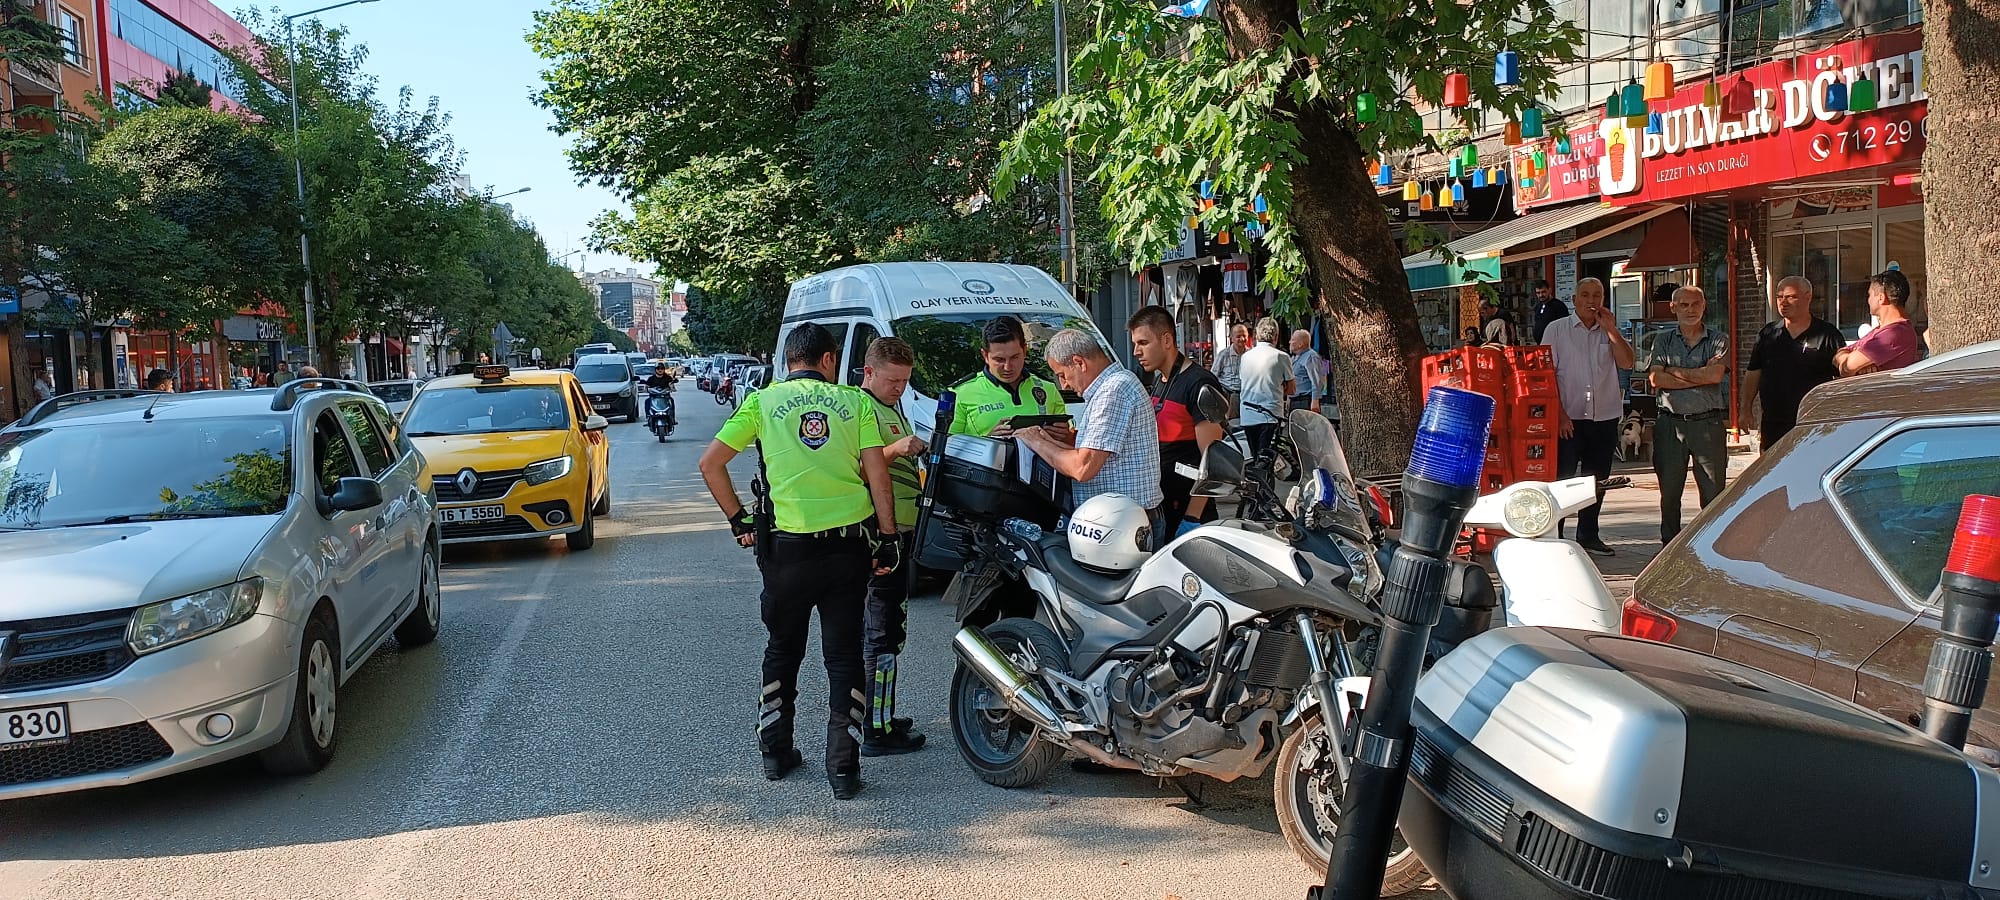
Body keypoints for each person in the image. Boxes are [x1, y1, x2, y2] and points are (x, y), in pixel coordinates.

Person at [697, 323, 900, 800]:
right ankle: (843, 770)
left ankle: (775, 752)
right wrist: (888, 538)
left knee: (783, 650)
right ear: (828, 360)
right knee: (844, 657)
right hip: (847, 551)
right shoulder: (855, 403)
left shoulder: (761, 403)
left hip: (785, 553)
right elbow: (878, 476)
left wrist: (738, 520)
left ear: (789, 360)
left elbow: (710, 463)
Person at [856, 337, 927, 757]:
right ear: (869, 373)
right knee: (880, 634)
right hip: (880, 534)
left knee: (892, 629)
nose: (899, 388)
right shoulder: (862, 407)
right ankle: (876, 730)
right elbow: (853, 467)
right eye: (892, 380)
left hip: (902, 531)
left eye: (904, 381)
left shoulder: (888, 407)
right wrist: (896, 449)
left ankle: (881, 715)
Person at [1013, 329, 1163, 530]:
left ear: (1079, 363)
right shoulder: (1114, 386)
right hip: (1119, 523)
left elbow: (1082, 468)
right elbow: (1092, 454)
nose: (1063, 385)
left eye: (1062, 375)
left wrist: (1037, 442)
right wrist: (1044, 438)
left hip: (1123, 528)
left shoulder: (1113, 391)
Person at [1546, 277, 1633, 557]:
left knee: (1597, 480)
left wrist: (1612, 331)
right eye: (1585, 295)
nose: (1591, 301)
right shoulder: (1557, 330)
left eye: (1597, 295)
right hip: (1569, 416)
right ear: (1574, 300)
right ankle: (1555, 534)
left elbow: (1627, 362)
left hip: (1604, 416)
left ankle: (1588, 534)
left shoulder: (1609, 330)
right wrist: (1559, 415)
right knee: (1562, 478)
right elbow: (1546, 375)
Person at [1128, 307, 1226, 537]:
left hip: (1188, 513)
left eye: (1143, 342)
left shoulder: (1199, 383)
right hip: (1162, 508)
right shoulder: (1160, 379)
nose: (1136, 351)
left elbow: (1213, 461)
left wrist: (1192, 518)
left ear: (1167, 340)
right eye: (1135, 343)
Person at [1648, 286, 1730, 544]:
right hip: (1670, 424)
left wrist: (1674, 372)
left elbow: (1715, 375)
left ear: (1704, 306)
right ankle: (1669, 546)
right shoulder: (1663, 340)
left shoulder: (1718, 339)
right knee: (1670, 494)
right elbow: (1655, 378)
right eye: (1683, 305)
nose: (1690, 310)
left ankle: (1712, 545)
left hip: (1707, 423)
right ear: (1673, 308)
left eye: (1695, 304)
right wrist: (1699, 377)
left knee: (1713, 492)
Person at [1741, 276, 1844, 449]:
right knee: (1773, 472)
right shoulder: (1768, 334)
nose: (1783, 302)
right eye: (1779, 297)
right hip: (1774, 424)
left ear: (1808, 296)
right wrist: (1745, 409)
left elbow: (1843, 378)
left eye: (1791, 297)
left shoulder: (1827, 335)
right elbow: (1753, 373)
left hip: (1813, 423)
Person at [949, 316, 1067, 437]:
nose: (1008, 367)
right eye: (999, 359)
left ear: (1025, 351)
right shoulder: (959, 394)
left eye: (1014, 357)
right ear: (985, 356)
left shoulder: (1048, 389)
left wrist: (1066, 436)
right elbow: (946, 448)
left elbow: (1071, 445)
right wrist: (988, 441)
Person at [1835, 270, 1921, 376]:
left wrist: (1851, 359)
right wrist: (1854, 360)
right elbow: (1838, 355)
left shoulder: (1895, 333)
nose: (1868, 300)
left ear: (1881, 298)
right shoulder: (1881, 330)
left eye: (1870, 295)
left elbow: (1846, 367)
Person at [1237, 318, 1293, 456]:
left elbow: (1243, 381)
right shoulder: (1282, 357)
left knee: (1256, 455)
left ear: (1256, 334)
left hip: (1247, 414)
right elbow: (1292, 389)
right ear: (1276, 336)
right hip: (1270, 414)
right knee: (1267, 460)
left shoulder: (1245, 357)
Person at [1288, 329, 1324, 415]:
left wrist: (1315, 400)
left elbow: (1317, 380)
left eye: (1293, 340)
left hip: (1305, 401)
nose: (1290, 342)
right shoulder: (1295, 358)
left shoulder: (1311, 357)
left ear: (1300, 344)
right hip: (1295, 400)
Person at [1212, 323, 1247, 404]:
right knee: (1234, 399)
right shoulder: (1223, 355)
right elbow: (1213, 376)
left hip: (1245, 393)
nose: (1242, 339)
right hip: (1227, 393)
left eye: (1244, 336)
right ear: (1232, 339)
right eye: (1238, 336)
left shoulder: (1251, 354)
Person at [642, 363, 679, 428]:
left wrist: (672, 388)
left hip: (665, 397)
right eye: (658, 368)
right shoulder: (651, 378)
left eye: (662, 368)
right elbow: (646, 386)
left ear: (664, 369)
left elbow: (672, 385)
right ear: (655, 370)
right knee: (647, 401)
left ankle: (672, 418)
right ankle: (648, 417)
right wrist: (646, 390)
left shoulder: (668, 378)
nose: (660, 370)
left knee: (671, 401)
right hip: (654, 397)